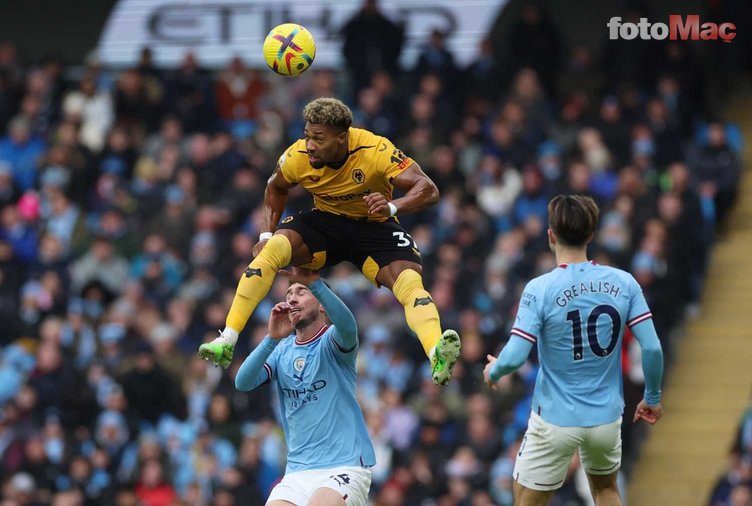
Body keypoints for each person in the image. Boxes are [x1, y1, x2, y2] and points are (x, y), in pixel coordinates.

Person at [199, 97, 460, 385]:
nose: (309, 144)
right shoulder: (297, 156)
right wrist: (265, 234)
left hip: (375, 225)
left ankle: (436, 351)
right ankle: (227, 339)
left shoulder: (375, 150)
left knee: (409, 282)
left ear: (342, 138)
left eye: (318, 138)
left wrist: (393, 206)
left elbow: (429, 189)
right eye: (307, 135)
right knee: (272, 250)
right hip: (327, 223)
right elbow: (275, 187)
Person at [482, 195, 664, 506]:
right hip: (606, 417)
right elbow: (652, 347)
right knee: (605, 490)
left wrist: (494, 370)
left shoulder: (539, 289)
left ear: (550, 235)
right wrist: (653, 397)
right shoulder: (624, 283)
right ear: (592, 235)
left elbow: (514, 357)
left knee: (525, 499)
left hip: (555, 419)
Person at [234, 266, 374, 505]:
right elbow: (243, 382)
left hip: (344, 466)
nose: (292, 298)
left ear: (321, 304)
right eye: (289, 294)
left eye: (301, 291)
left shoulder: (332, 341)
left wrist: (316, 284)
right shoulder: (281, 350)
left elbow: (349, 327)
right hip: (298, 472)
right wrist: (271, 339)